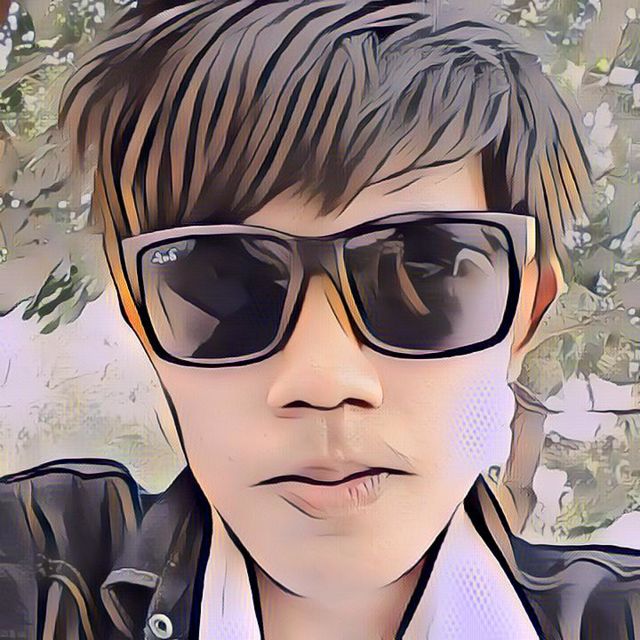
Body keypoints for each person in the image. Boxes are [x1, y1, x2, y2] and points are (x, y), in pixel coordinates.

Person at [2, 1, 640, 639]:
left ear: (525, 313)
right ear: (143, 321)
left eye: (421, 277)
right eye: (229, 288)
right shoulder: (40, 574)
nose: (325, 380)